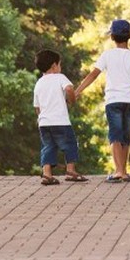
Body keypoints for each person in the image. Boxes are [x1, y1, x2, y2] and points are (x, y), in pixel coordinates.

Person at [75, 19, 130, 183]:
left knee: (115, 136)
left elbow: (93, 75)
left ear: (112, 36)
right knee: (125, 136)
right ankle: (123, 171)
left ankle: (119, 171)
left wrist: (77, 91)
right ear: (129, 36)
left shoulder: (107, 55)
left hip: (113, 100)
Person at [33, 49, 88, 185]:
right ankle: (70, 170)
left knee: (48, 147)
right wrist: (72, 100)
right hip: (60, 121)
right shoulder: (60, 77)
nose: (60, 67)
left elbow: (37, 106)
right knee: (70, 144)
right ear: (54, 66)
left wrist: (41, 118)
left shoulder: (39, 83)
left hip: (44, 123)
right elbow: (69, 89)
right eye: (60, 64)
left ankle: (47, 174)